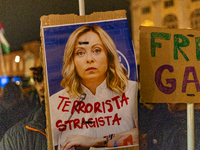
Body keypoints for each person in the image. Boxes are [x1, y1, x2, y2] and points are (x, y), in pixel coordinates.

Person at [49, 25, 139, 150]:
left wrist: (95, 141)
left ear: (109, 55)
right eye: (80, 52)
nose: (90, 59)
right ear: (72, 60)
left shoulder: (132, 91)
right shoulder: (55, 103)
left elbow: (145, 134)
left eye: (96, 50)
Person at [0, 66, 47, 150]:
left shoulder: (28, 107)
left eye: (44, 80)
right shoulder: (28, 109)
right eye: (39, 80)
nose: (42, 84)